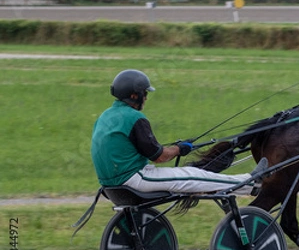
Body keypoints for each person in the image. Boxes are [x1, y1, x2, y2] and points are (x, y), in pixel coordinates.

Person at [91, 69, 268, 196]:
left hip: (110, 183)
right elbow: (158, 156)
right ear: (135, 95)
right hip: (134, 178)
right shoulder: (134, 118)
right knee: (193, 176)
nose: (146, 97)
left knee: (192, 176)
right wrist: (180, 149)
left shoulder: (105, 116)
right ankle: (249, 182)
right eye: (145, 93)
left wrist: (179, 148)